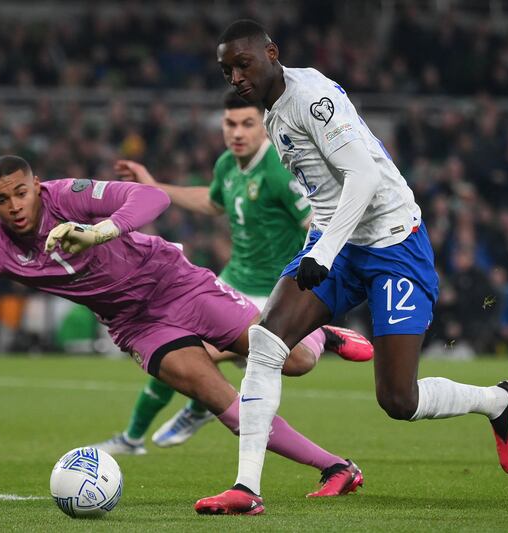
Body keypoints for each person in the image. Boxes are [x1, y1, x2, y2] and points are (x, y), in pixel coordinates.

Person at [0, 155, 363, 498]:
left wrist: (100, 231)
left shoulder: (67, 196)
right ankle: (336, 468)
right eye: (2, 199)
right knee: (217, 394)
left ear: (35, 186)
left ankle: (322, 331)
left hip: (176, 283)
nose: (15, 206)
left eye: (21, 192)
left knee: (294, 360)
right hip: (137, 325)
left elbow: (150, 196)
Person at [195, 20, 508, 516]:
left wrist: (323, 252)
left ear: (271, 52)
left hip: (393, 244)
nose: (236, 77)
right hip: (337, 242)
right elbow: (326, 188)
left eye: (243, 64)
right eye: (227, 70)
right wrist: (323, 244)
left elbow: (365, 175)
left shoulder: (311, 97)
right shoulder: (274, 112)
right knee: (266, 343)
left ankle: (499, 402)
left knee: (398, 400)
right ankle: (246, 489)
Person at [92, 89, 372, 455]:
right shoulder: (227, 163)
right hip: (231, 280)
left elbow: (316, 220)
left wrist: (319, 273)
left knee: (200, 356)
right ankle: (138, 435)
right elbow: (211, 203)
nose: (237, 132)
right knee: (171, 346)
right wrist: (154, 186)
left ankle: (310, 337)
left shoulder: (278, 167)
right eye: (230, 124)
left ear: (265, 128)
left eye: (247, 124)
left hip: (272, 288)